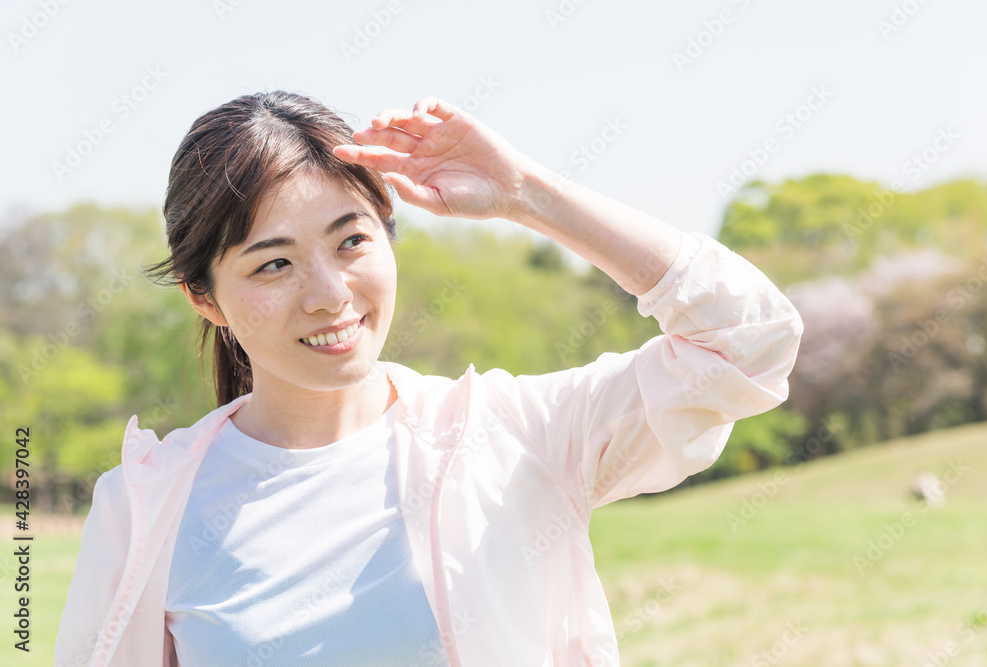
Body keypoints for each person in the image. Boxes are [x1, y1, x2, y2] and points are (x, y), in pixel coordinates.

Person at [54, 91, 803, 666]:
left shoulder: (515, 436)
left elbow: (749, 342)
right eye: (273, 263)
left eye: (351, 239)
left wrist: (525, 193)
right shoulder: (147, 506)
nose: (328, 293)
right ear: (204, 296)